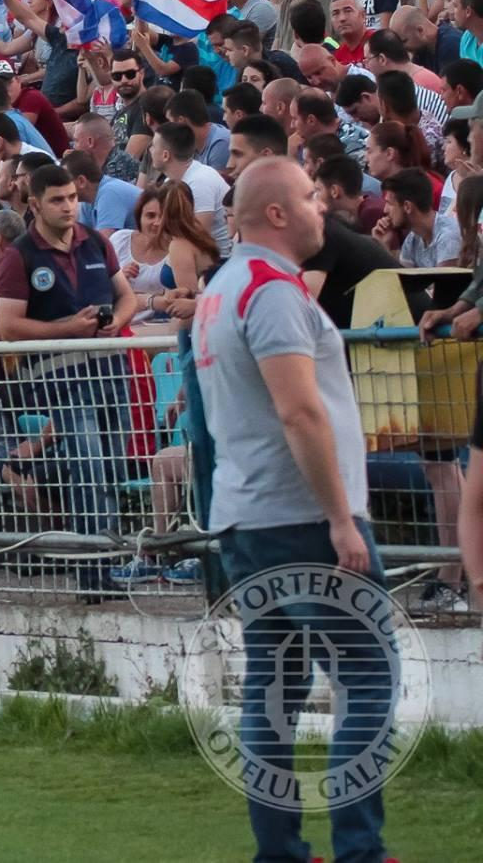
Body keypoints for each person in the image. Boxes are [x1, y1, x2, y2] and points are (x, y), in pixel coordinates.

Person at [192, 157, 394, 863]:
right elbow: (300, 409)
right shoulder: (272, 290)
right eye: (311, 196)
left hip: (247, 516)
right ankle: (358, 850)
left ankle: (279, 849)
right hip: (302, 516)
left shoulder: (220, 290)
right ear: (275, 213)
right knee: (367, 675)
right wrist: (341, 516)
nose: (323, 207)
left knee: (273, 687)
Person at [0, 164, 138, 592]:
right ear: (35, 204)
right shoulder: (18, 255)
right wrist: (68, 329)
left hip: (111, 368)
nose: (69, 206)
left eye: (73, 197)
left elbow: (126, 297)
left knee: (110, 466)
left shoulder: (95, 242)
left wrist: (119, 322)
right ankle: (93, 570)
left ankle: (103, 561)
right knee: (89, 465)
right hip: (63, 380)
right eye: (58, 199)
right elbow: (8, 327)